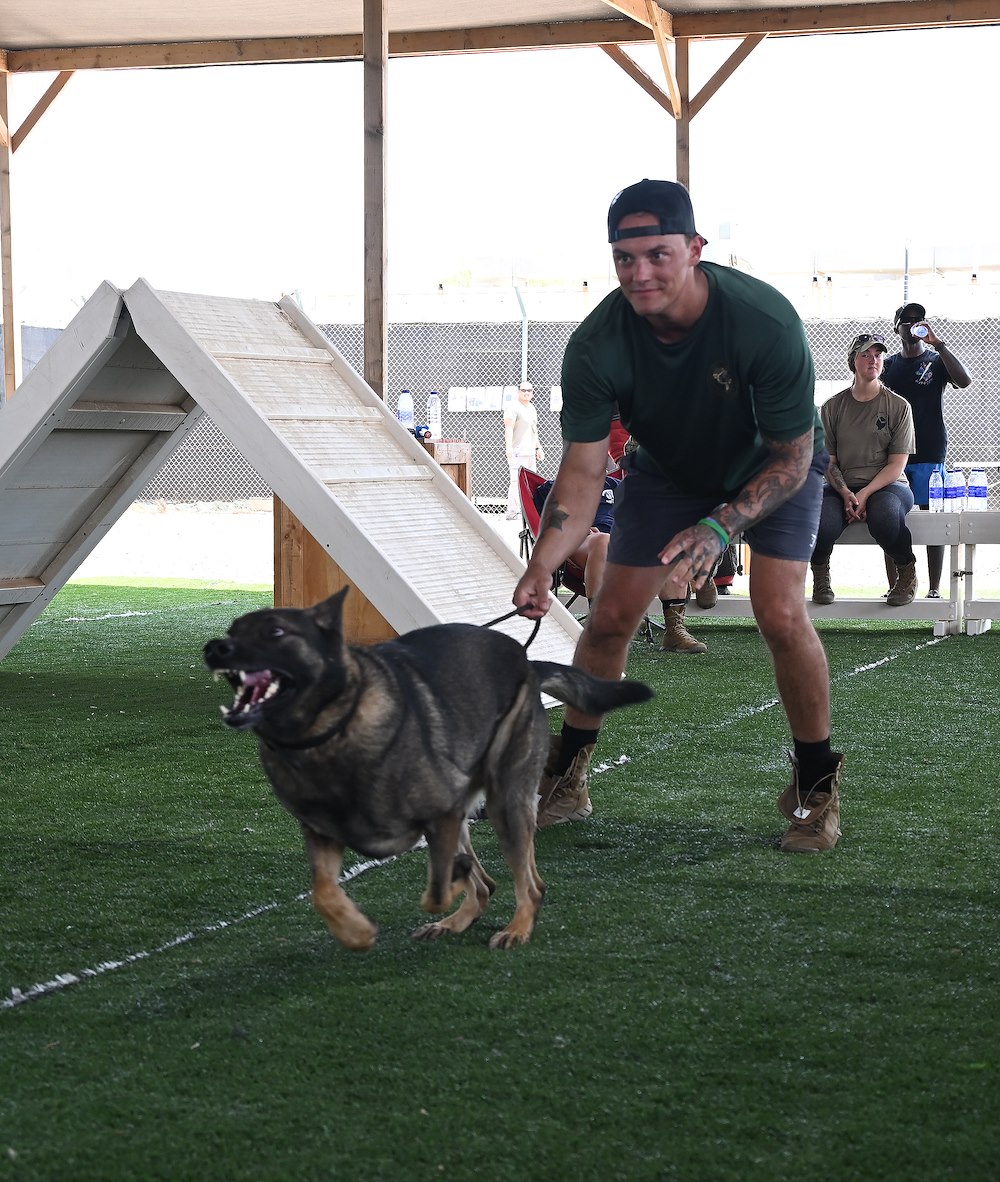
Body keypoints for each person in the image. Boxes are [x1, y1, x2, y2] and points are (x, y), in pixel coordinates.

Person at [513, 178, 843, 853]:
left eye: (658, 255)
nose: (640, 274)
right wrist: (543, 564)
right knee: (609, 616)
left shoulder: (764, 321)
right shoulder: (597, 344)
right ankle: (568, 775)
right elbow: (583, 473)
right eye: (624, 258)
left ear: (695, 249)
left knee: (780, 612)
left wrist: (720, 526)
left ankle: (817, 786)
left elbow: (792, 459)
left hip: (773, 467)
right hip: (667, 471)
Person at [533, 473, 710, 653]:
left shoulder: (619, 486)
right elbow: (548, 520)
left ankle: (675, 631)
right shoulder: (555, 487)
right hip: (581, 542)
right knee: (603, 541)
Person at [810, 334, 918, 607]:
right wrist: (846, 492)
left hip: (889, 486)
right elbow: (829, 461)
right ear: (853, 361)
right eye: (865, 355)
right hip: (842, 487)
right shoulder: (833, 407)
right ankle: (820, 575)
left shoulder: (898, 406)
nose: (873, 360)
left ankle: (907, 571)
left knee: (885, 517)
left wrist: (866, 493)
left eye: (878, 355)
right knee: (819, 521)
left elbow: (897, 464)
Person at [882, 302, 972, 597]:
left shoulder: (936, 360)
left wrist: (940, 344)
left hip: (930, 449)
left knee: (934, 519)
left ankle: (934, 589)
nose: (913, 324)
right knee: (890, 518)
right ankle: (896, 585)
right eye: (906, 320)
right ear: (896, 327)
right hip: (894, 453)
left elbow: (964, 381)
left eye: (918, 319)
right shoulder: (889, 365)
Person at [504, 381, 544, 518]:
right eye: (523, 390)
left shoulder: (531, 408)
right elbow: (509, 429)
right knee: (516, 481)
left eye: (529, 390)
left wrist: (538, 448)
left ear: (532, 392)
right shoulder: (513, 408)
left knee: (530, 482)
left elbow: (534, 430)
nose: (526, 393)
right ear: (518, 392)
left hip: (530, 452)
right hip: (518, 451)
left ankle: (528, 512)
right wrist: (509, 448)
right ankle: (513, 511)